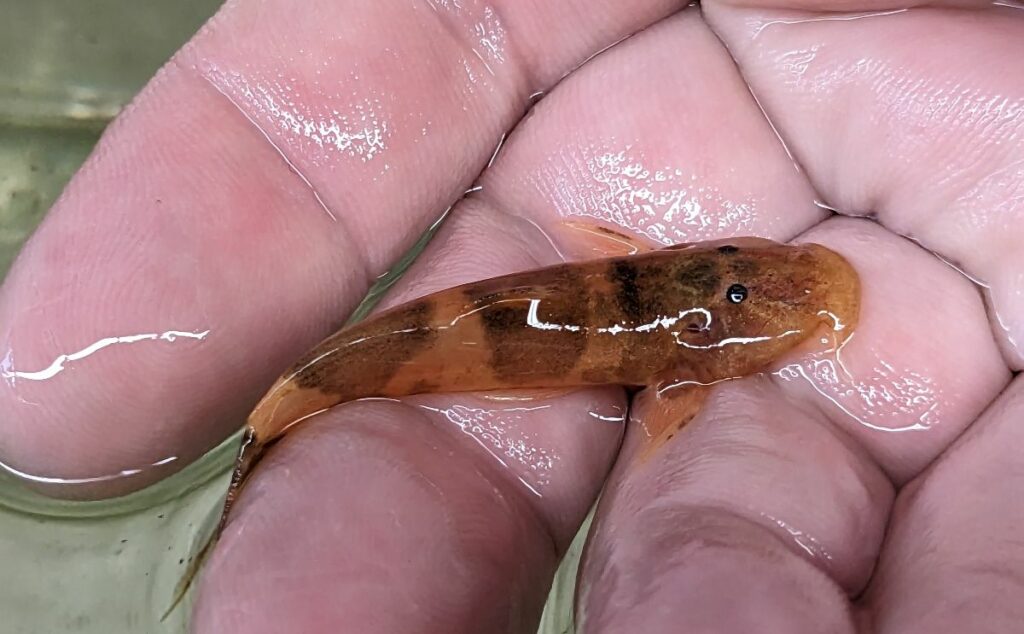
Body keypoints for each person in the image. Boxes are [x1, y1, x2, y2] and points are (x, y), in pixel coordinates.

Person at [1, 1, 1021, 632]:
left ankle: (282, 418)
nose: (775, 289)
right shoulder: (675, 358)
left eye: (746, 288)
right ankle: (280, 417)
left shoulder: (661, 297)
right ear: (700, 265)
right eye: (743, 283)